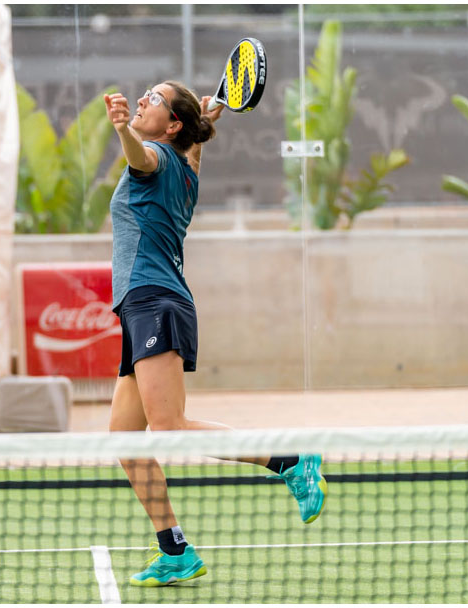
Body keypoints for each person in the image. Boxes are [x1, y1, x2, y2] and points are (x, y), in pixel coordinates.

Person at [103, 82, 327, 587]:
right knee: (125, 439)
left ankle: (291, 461)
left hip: (153, 302)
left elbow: (140, 157)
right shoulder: (187, 167)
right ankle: (174, 550)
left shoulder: (158, 158)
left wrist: (122, 130)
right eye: (145, 94)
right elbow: (188, 150)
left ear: (172, 126)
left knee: (169, 428)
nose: (142, 100)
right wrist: (202, 126)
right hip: (143, 305)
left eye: (154, 99)